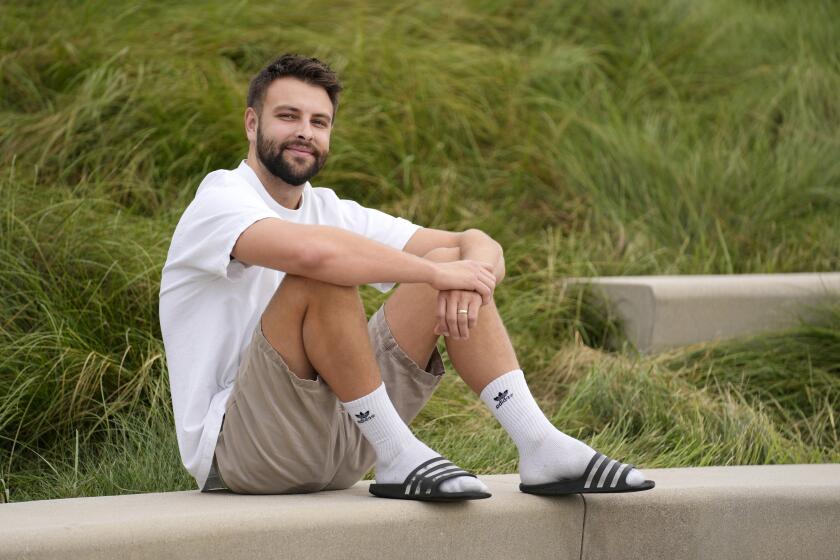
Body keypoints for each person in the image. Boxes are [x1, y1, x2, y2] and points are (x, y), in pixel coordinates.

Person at [158, 53, 654, 501]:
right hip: (246, 453)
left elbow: (473, 246)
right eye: (288, 116)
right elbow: (314, 255)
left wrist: (459, 271)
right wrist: (440, 271)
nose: (305, 131)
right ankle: (398, 453)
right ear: (252, 123)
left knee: (449, 260)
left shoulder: (329, 208)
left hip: (348, 444)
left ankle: (539, 444)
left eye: (319, 121)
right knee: (326, 275)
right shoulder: (219, 201)